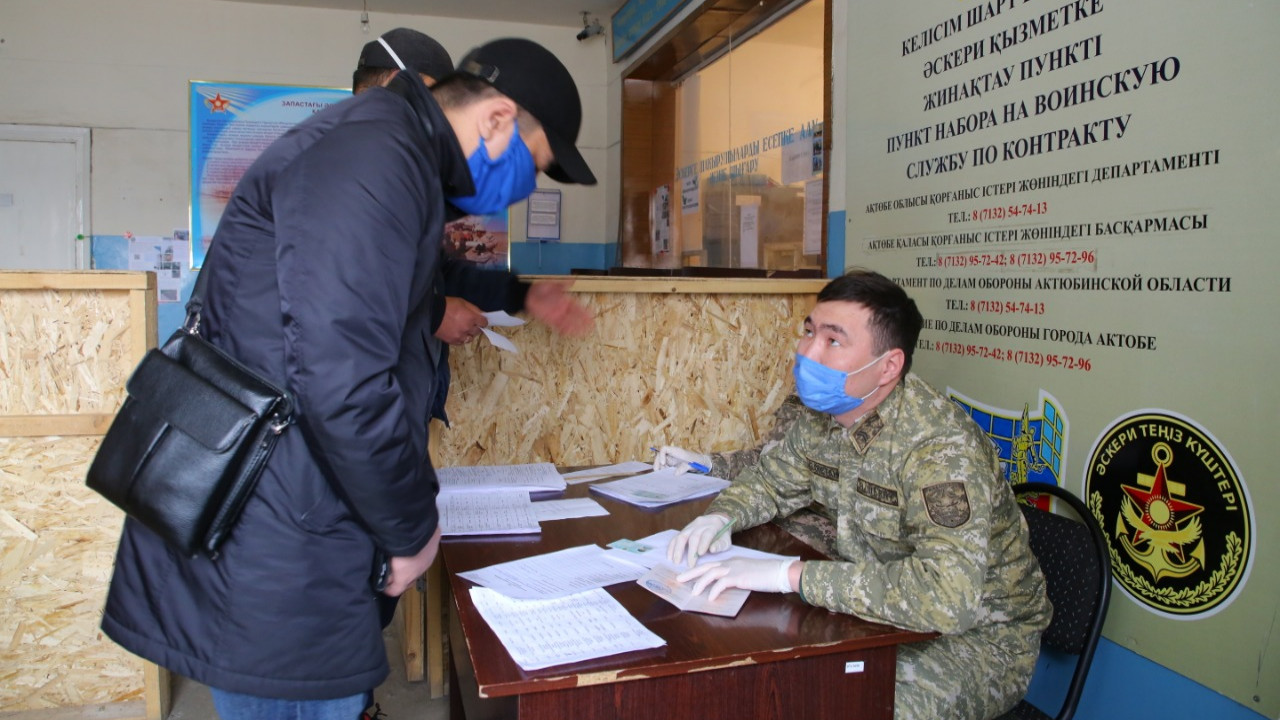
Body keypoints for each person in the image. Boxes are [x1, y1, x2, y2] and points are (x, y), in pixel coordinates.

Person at [100, 37, 597, 719]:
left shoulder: (389, 152)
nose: (526, 186)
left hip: (291, 505)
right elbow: (342, 379)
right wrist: (409, 530)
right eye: (534, 166)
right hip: (274, 525)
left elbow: (391, 286)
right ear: (499, 120)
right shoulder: (373, 157)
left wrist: (515, 292)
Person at [667, 268, 1051, 720]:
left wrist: (788, 576)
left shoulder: (939, 448)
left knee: (841, 705)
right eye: (809, 332)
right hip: (875, 611)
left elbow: (947, 599)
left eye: (833, 341)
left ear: (888, 366)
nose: (807, 352)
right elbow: (770, 480)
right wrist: (720, 517)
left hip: (980, 639)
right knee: (760, 684)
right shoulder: (825, 413)